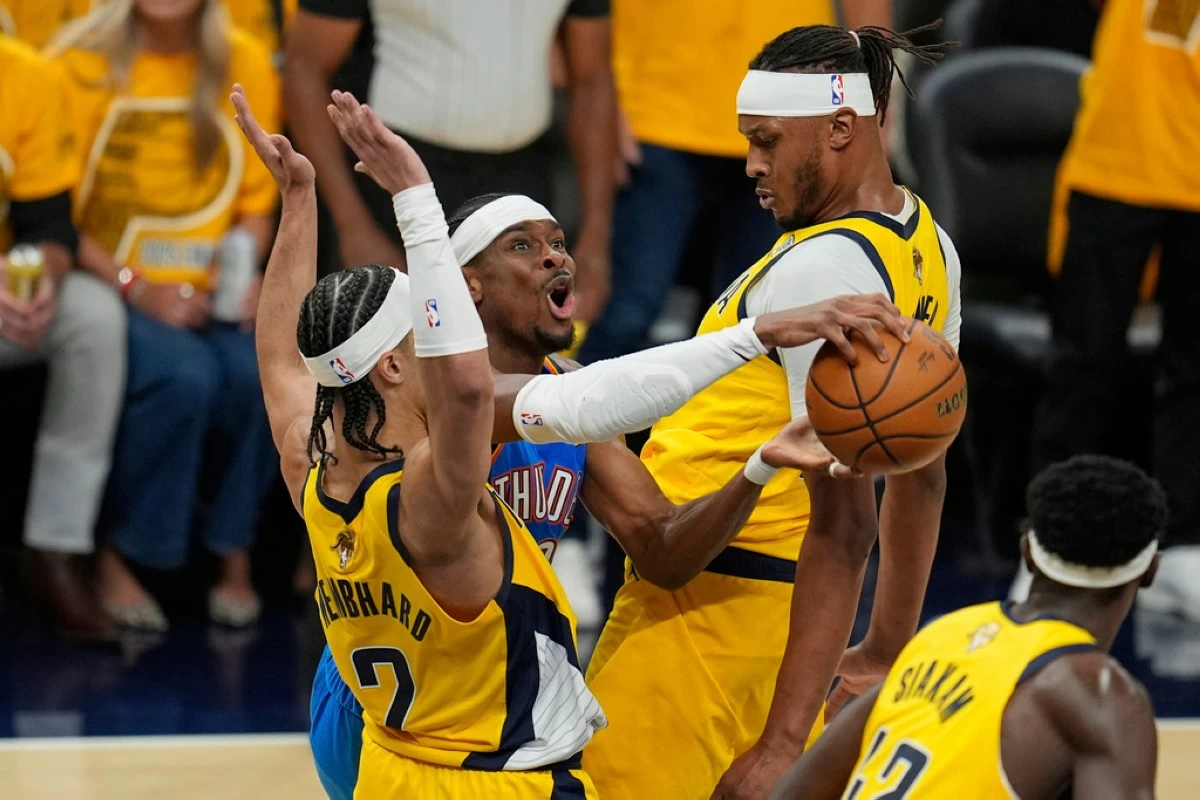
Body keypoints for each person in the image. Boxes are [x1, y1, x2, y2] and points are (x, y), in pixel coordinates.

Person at [237, 80, 908, 795]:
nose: (558, 258)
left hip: (398, 716)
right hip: (455, 724)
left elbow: (661, 547)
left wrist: (299, 200)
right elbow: (574, 400)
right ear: (463, 290)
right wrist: (757, 333)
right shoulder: (462, 412)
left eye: (559, 242)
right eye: (525, 247)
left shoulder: (322, 439)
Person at [580, 24, 960, 800]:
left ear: (842, 129)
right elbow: (923, 473)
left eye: (766, 141)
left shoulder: (820, 268)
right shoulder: (931, 245)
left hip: (703, 620)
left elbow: (846, 524)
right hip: (791, 630)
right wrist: (886, 644)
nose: (750, 164)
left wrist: (785, 740)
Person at [47, 0, 280, 631]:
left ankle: (235, 553)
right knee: (184, 378)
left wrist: (249, 273)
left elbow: (260, 199)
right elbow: (54, 212)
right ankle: (121, 554)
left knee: (256, 373)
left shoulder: (246, 60)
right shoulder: (77, 62)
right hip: (114, 280)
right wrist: (138, 287)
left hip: (213, 288)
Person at [772, 455, 1164, 800]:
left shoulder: (940, 635)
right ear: (1149, 570)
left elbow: (793, 793)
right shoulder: (1100, 692)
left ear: (1027, 553)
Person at [580, 0, 891, 363]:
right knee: (624, 317)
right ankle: (556, 417)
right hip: (652, 114)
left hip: (796, 119)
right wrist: (599, 98)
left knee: (760, 329)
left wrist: (874, 107)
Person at [282, 0, 615, 321]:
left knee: (514, 364)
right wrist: (352, 225)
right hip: (394, 179)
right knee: (385, 357)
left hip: (520, 178)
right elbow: (304, 68)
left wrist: (596, 239)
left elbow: (593, 80)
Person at [1033, 0, 1200, 621]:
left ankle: (1183, 543)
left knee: (1193, 376)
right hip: (1119, 163)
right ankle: (1052, 544)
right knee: (1082, 366)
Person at [0, 31, 125, 640]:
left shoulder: (26, 75)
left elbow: (49, 226)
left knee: (93, 315)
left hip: (4, 287)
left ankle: (56, 550)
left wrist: (38, 278)